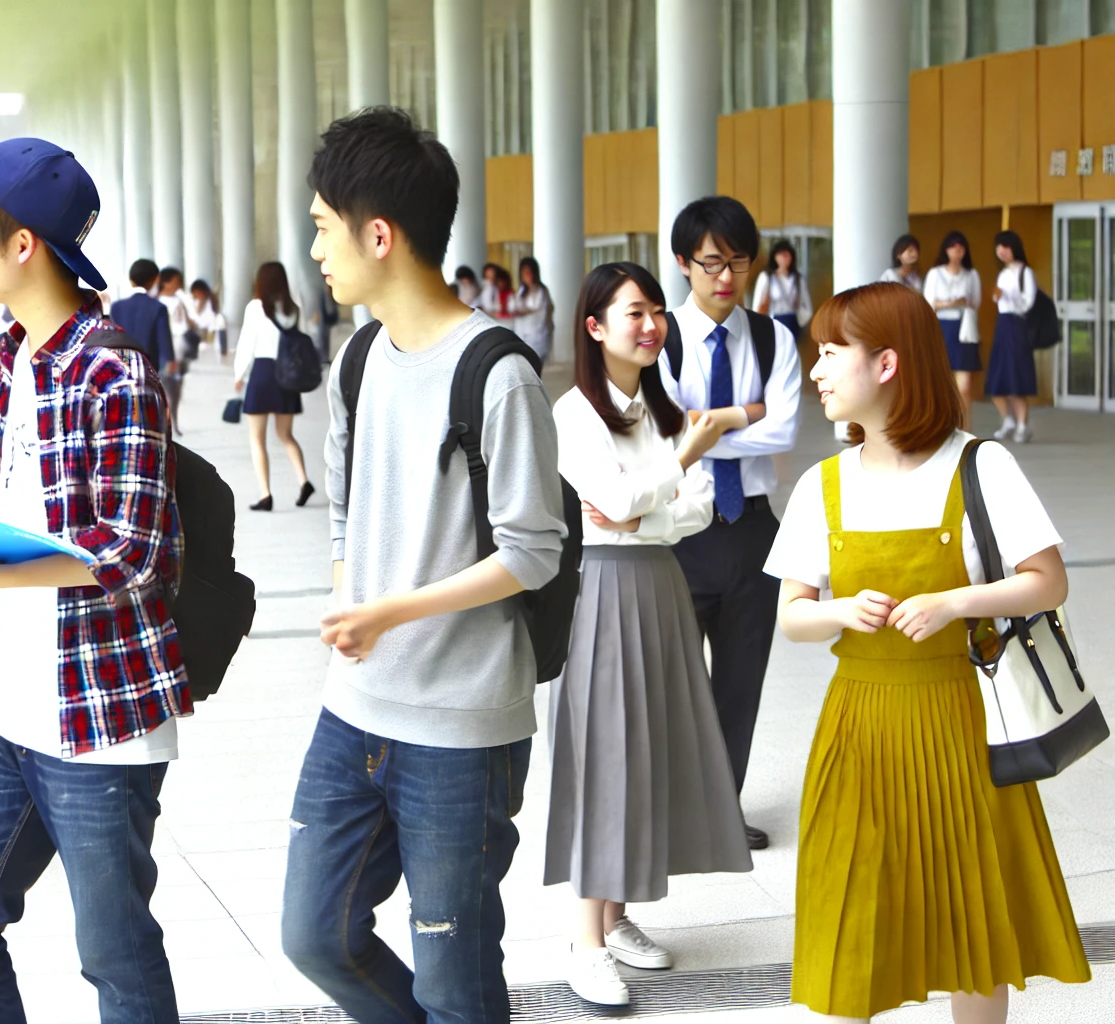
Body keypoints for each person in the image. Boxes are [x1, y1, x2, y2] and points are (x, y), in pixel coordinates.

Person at [280, 105, 567, 1024]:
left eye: (323, 228)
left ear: (379, 234)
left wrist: (387, 613)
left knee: (455, 974)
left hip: (463, 725)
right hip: (353, 710)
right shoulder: (359, 354)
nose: (315, 251)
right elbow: (342, 487)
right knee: (315, 934)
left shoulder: (498, 372)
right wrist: (342, 590)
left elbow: (533, 551)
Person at [0, 138, 186, 1023]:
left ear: (24, 246)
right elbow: (3, 507)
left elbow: (134, 550)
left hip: (96, 717)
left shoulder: (113, 366)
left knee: (115, 956)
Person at [764, 281, 1090, 1022]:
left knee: (971, 914)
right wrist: (839, 611)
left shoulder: (982, 465)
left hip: (960, 719)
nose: (816, 370)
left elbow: (1047, 583)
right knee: (848, 909)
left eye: (831, 353)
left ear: (886, 365)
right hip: (860, 722)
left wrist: (954, 603)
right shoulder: (823, 485)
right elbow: (792, 618)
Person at [546, 262, 753, 1007]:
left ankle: (620, 913)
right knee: (607, 754)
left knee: (650, 751)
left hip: (659, 582)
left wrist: (647, 510)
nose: (652, 324)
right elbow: (613, 497)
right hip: (601, 589)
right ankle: (585, 940)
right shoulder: (574, 414)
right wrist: (678, 467)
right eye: (635, 312)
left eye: (657, 311)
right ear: (595, 326)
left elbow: (691, 509)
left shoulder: (665, 413)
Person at [658, 196, 802, 852]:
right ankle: (673, 809)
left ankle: (721, 811)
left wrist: (712, 422)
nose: (726, 277)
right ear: (684, 263)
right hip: (679, 533)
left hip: (753, 534)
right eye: (712, 262)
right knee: (673, 685)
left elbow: (788, 429)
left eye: (738, 263)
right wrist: (745, 414)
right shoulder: (662, 339)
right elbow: (667, 437)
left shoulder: (775, 338)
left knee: (741, 686)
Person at [231, 261, 313, 511]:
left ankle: (266, 495)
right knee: (285, 435)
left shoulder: (255, 307)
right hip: (287, 375)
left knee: (257, 439)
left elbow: (247, 342)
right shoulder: (293, 308)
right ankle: (304, 480)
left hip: (263, 373)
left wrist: (239, 373)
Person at [986, 230, 1039, 443]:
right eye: (998, 247)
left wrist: (1008, 296)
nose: (1001, 251)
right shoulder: (1003, 273)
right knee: (997, 378)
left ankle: (1022, 425)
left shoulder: (1025, 272)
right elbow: (998, 299)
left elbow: (1028, 303)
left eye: (1005, 247)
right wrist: (998, 297)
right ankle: (1007, 419)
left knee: (1016, 377)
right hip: (1002, 324)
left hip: (1017, 325)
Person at [924, 230, 982, 410]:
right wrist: (949, 303)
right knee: (941, 386)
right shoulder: (935, 273)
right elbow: (928, 303)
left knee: (964, 388)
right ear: (946, 250)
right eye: (953, 247)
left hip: (963, 329)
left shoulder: (971, 274)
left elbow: (976, 303)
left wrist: (963, 302)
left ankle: (965, 430)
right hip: (941, 328)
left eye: (961, 247)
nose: (957, 250)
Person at [110, 258, 176, 374]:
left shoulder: (116, 307)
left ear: (131, 280)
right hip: (148, 369)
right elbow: (164, 339)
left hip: (121, 368)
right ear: (155, 279)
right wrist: (170, 360)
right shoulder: (158, 307)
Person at [752, 240, 813, 340]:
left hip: (792, 321)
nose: (784, 258)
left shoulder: (797, 279)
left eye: (787, 255)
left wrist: (801, 319)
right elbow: (757, 304)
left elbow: (807, 305)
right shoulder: (767, 277)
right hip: (774, 320)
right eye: (781, 254)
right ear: (774, 257)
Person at [156, 266, 190, 431]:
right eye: (175, 281)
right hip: (168, 353)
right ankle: (168, 423)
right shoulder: (157, 302)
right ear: (166, 282)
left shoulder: (178, 301)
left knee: (175, 391)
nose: (178, 285)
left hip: (178, 351)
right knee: (168, 390)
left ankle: (173, 421)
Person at [511, 256, 553, 361]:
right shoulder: (521, 291)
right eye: (525, 273)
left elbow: (538, 308)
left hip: (538, 334)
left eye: (530, 272)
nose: (528, 276)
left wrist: (523, 312)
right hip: (522, 333)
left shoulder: (541, 291)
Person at [188, 278, 227, 358]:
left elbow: (197, 317)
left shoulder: (205, 302)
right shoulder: (210, 301)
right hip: (209, 335)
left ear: (199, 292)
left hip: (207, 336)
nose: (194, 296)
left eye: (195, 294)